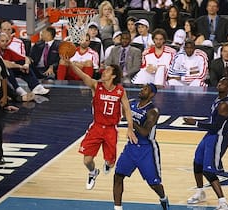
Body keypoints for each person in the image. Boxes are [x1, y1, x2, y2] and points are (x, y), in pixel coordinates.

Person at [60, 56, 137, 190]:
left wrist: (130, 128)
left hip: (111, 129)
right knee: (87, 160)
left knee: (110, 163)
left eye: (107, 71)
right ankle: (92, 172)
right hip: (96, 127)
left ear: (113, 76)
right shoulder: (96, 85)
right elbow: (84, 76)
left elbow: (127, 110)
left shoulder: (120, 91)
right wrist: (71, 64)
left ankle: (107, 163)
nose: (103, 72)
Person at [113, 83, 170, 210]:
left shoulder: (153, 111)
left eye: (145, 89)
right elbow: (123, 112)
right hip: (131, 146)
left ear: (151, 94)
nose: (141, 90)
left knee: (154, 184)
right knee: (118, 176)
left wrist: (130, 121)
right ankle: (117, 208)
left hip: (147, 149)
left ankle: (163, 198)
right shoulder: (132, 103)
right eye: (142, 88)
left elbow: (144, 132)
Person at [183, 77, 228, 210]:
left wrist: (195, 122)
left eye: (223, 83)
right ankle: (200, 193)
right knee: (197, 163)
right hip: (210, 136)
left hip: (219, 137)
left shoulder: (225, 105)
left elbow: (215, 127)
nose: (219, 84)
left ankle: (223, 202)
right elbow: (212, 122)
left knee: (208, 169)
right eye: (219, 82)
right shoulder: (217, 100)